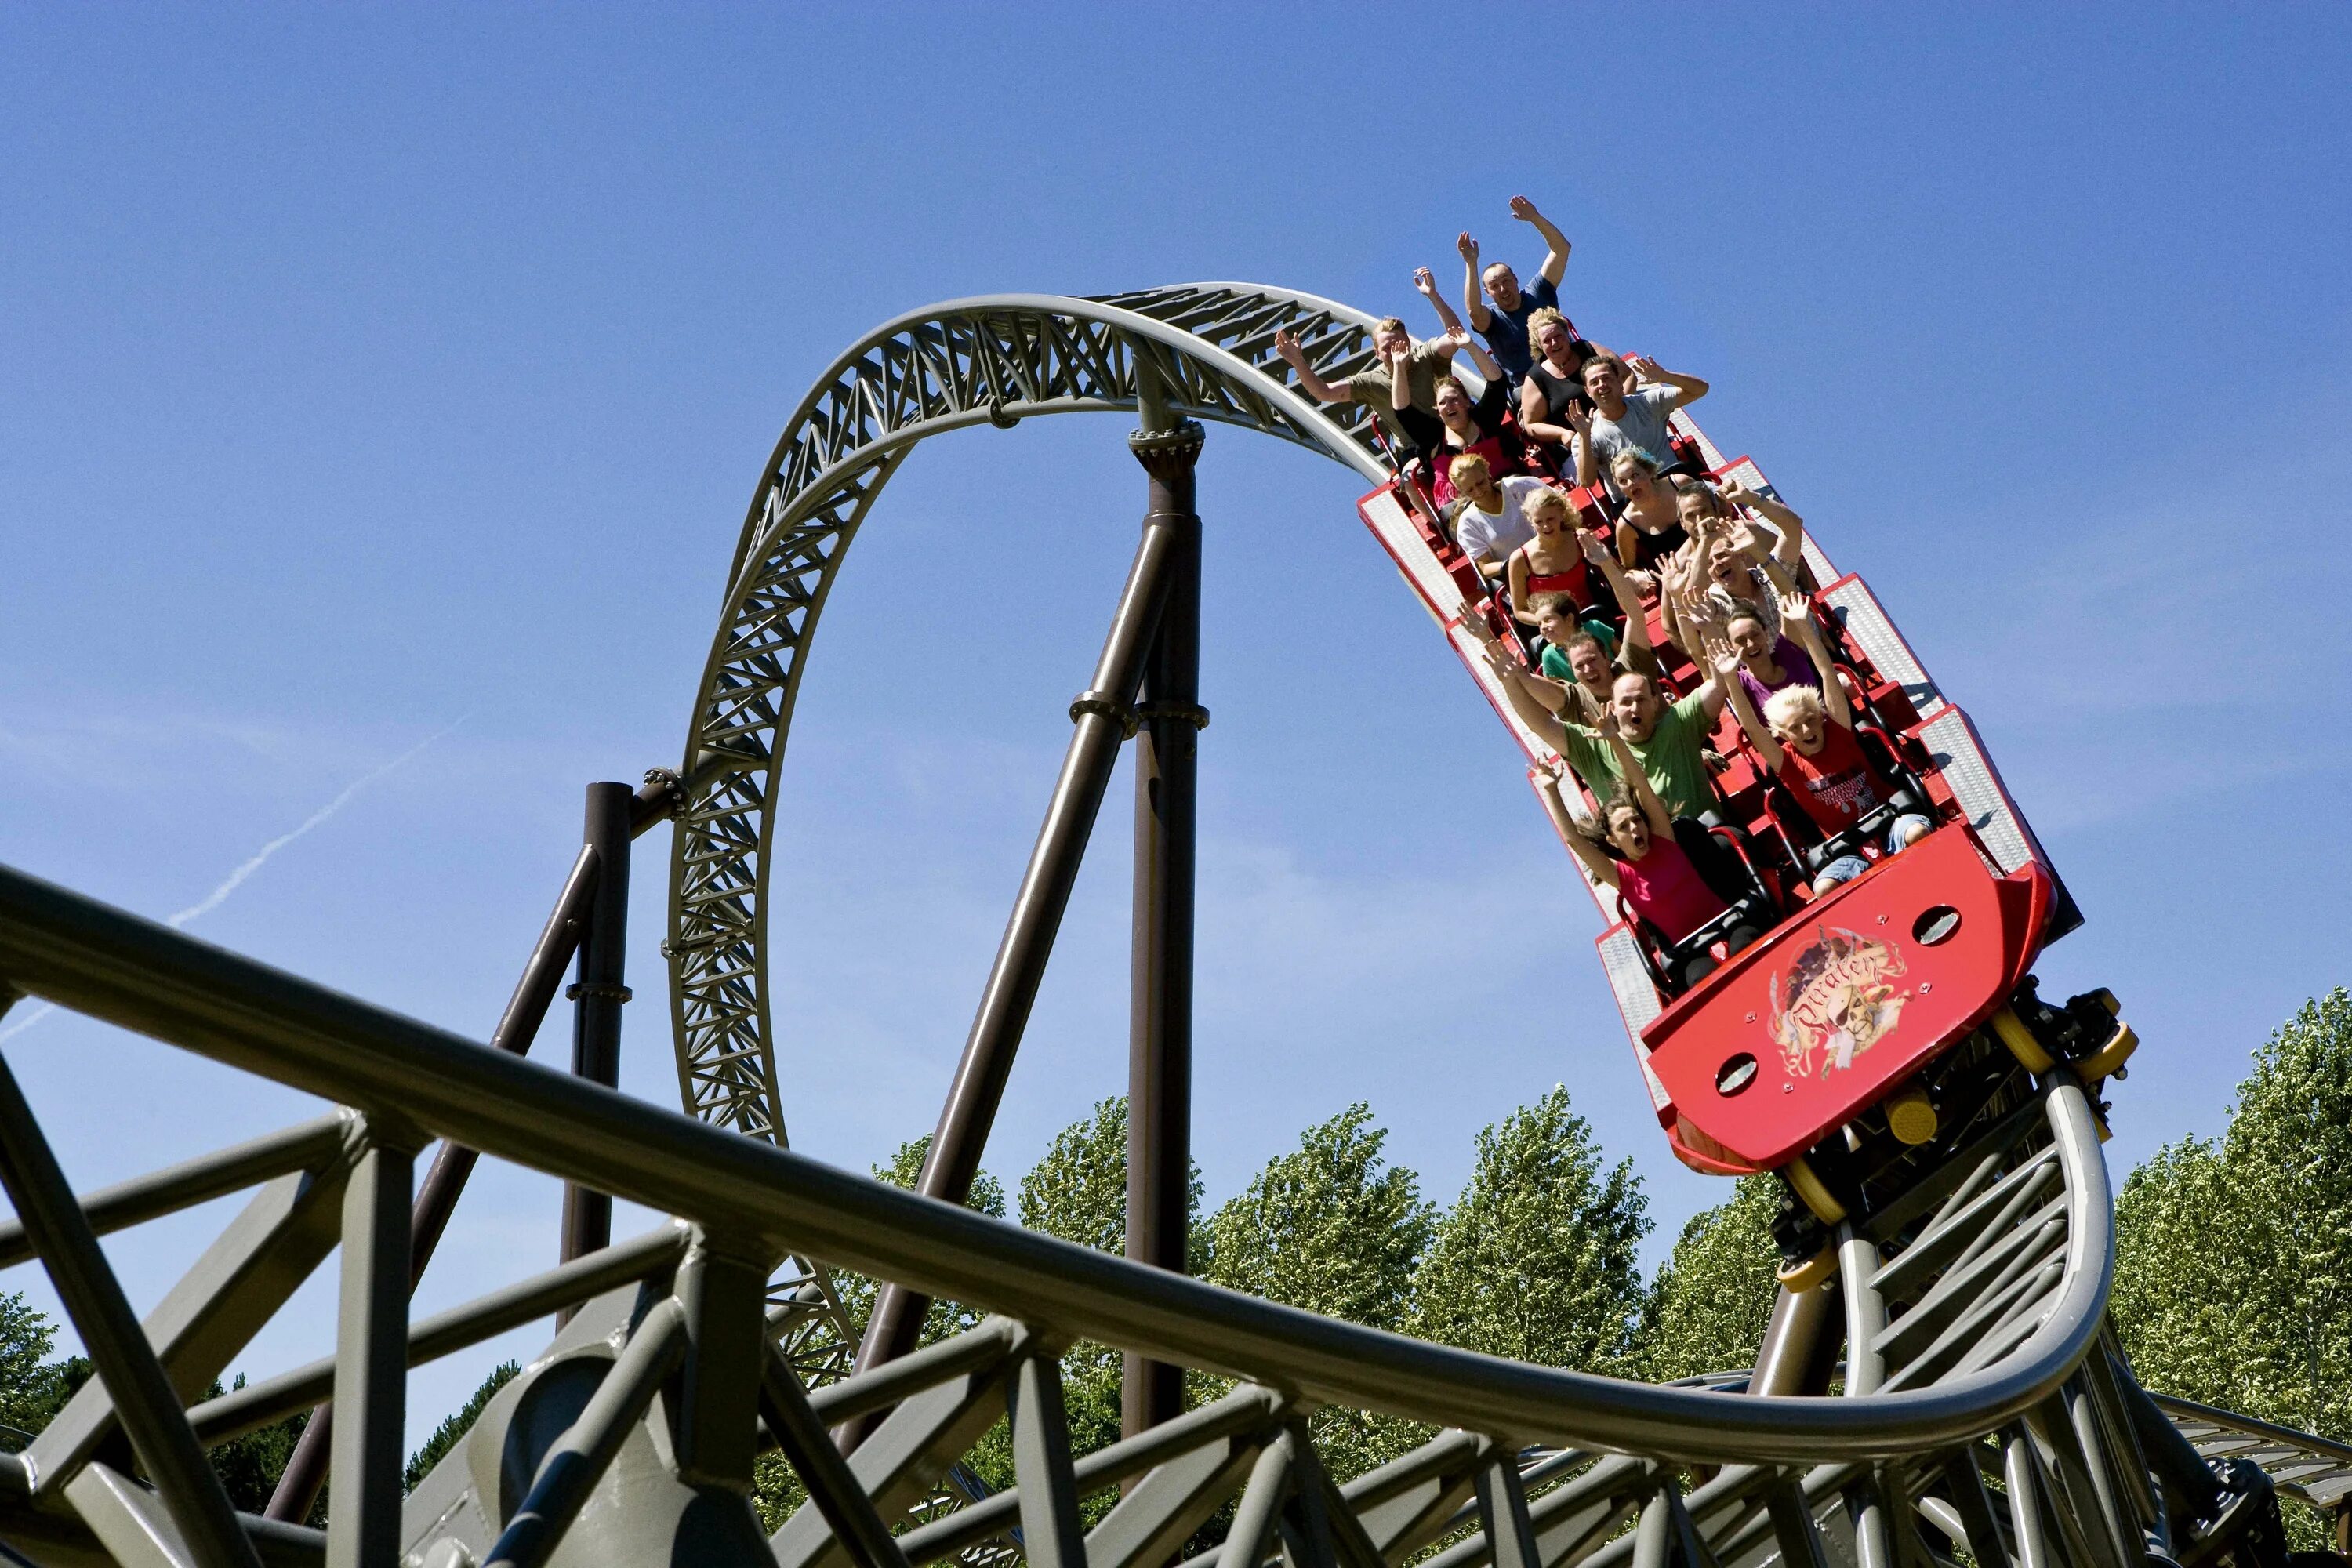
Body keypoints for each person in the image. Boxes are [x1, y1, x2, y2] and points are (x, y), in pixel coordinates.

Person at [1542, 720, 1762, 990]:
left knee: (1747, 947)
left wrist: (1615, 741)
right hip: (1690, 951)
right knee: (1704, 981)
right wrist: (1552, 790)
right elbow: (1573, 840)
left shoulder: (1663, 839)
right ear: (1613, 840)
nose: (1634, 827)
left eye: (1636, 820)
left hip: (1730, 922)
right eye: (1624, 827)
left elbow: (1641, 784)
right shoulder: (1621, 876)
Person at [1715, 651, 1933, 894]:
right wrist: (1731, 681)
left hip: (1891, 823)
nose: (1806, 730)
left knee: (1917, 832)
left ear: (1821, 717)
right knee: (1824, 886)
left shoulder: (1839, 732)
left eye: (1810, 720)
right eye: (1795, 728)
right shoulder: (1787, 762)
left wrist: (1806, 631)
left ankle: (1929, 882)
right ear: (1784, 736)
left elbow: (1828, 675)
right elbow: (1753, 728)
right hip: (1846, 848)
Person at [1477, 631, 1729, 820]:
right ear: (1611, 707)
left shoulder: (1677, 725)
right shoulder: (1592, 749)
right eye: (1625, 702)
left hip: (1710, 841)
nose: (1633, 708)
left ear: (1655, 702)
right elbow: (1540, 723)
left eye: (1641, 700)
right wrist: (1511, 680)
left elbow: (1718, 681)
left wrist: (1711, 633)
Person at [1273, 318, 1466, 460]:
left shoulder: (1425, 355)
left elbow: (1455, 337)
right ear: (1377, 354)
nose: (1394, 352)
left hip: (1454, 426)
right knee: (1410, 478)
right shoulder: (1371, 382)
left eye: (1398, 344)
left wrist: (1433, 295)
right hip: (1415, 449)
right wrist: (1297, 361)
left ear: (1408, 342)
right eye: (1386, 348)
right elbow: (1323, 392)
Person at [1457, 195, 1571, 386]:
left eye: (1506, 281)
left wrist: (1535, 218)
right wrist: (1471, 264)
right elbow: (1474, 311)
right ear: (1487, 292)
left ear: (1516, 279)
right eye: (1494, 286)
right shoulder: (1492, 317)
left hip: (1569, 369)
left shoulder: (1538, 291)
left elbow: (1561, 249)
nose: (1503, 289)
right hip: (1530, 388)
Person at [1575, 353, 1710, 496]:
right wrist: (1585, 436)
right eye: (1594, 382)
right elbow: (1586, 482)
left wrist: (1665, 376)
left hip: (1674, 487)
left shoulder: (1646, 403)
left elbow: (1701, 389)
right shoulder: (1585, 434)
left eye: (1606, 378)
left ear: (1620, 382)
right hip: (1634, 503)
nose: (1602, 385)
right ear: (1587, 391)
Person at [1505, 488, 1601, 631]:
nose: (1546, 526)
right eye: (1539, 521)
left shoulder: (1579, 539)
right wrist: (1548, 623)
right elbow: (1519, 611)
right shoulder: (1519, 559)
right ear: (1530, 522)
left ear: (1561, 514)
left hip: (1593, 617)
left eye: (1551, 519)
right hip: (1553, 630)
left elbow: (1611, 568)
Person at [1425, 372, 1523, 507]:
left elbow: (1497, 383)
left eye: (1454, 399)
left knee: (1515, 485)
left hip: (1500, 481)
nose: (1449, 406)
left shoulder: (1484, 419)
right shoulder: (1433, 436)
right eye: (1442, 402)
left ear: (1467, 402)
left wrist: (1470, 348)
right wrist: (1399, 366)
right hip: (1459, 500)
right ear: (1438, 411)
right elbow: (1402, 412)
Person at [1447, 456, 1548, 582]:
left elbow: (1560, 508)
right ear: (1461, 491)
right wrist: (1513, 565)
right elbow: (1485, 567)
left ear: (1487, 474)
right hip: (1524, 577)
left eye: (1480, 483)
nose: (1478, 492)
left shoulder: (1520, 486)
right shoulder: (1467, 525)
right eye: (1470, 490)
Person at [1608, 448, 1690, 576]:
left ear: (1649, 472)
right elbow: (1631, 570)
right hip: (1679, 577)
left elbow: (1716, 509)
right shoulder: (1625, 526)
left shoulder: (1681, 484)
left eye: (1635, 475)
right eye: (1623, 481)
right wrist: (1638, 576)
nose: (1630, 484)